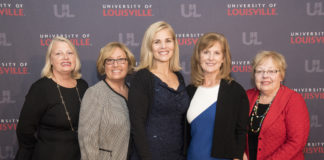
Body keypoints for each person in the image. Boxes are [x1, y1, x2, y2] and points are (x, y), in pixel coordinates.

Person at [15, 36, 88, 160]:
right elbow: (24, 130)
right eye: (59, 53)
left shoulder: (82, 85)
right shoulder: (41, 88)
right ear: (51, 60)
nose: (65, 57)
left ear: (75, 58)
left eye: (70, 53)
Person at [128, 21, 189, 160]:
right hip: (150, 155)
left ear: (174, 44)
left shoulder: (179, 76)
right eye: (157, 42)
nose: (163, 46)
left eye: (168, 40)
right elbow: (137, 126)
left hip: (178, 154)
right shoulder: (142, 78)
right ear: (150, 46)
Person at [186, 32, 249, 160]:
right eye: (206, 52)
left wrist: (237, 157)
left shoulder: (235, 91)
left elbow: (241, 132)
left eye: (216, 53)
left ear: (223, 58)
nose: (211, 58)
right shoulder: (189, 91)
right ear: (198, 56)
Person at [244, 51, 310, 160]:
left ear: (281, 75)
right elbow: (234, 131)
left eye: (271, 71)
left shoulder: (293, 100)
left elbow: (296, 142)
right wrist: (240, 154)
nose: (265, 76)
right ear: (254, 75)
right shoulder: (246, 96)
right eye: (260, 71)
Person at [78, 42, 136, 160]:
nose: (115, 65)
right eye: (110, 60)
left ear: (128, 64)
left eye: (121, 60)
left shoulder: (134, 92)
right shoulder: (95, 94)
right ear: (103, 65)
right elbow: (87, 140)